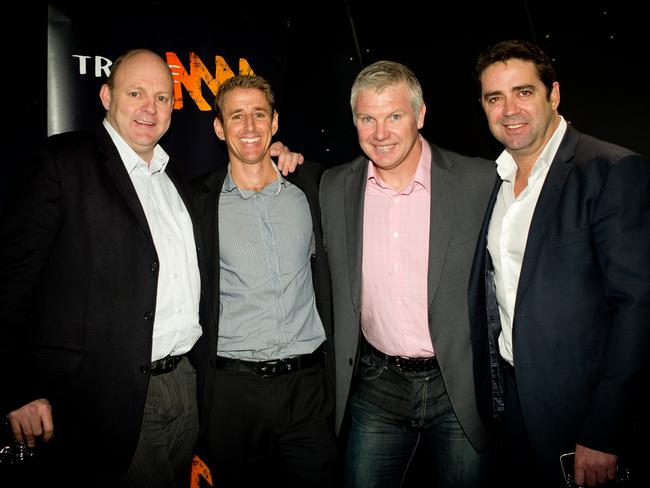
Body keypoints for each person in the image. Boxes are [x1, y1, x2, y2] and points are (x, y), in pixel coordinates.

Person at [0, 48, 302, 488]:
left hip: (185, 385)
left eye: (162, 97)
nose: (150, 107)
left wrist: (277, 156)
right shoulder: (63, 162)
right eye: (136, 92)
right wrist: (18, 388)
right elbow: (12, 282)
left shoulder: (173, 176)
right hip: (107, 397)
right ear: (106, 95)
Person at [468, 39, 650, 488]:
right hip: (511, 411)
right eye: (495, 97)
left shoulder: (609, 170)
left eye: (524, 92)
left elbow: (637, 307)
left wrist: (605, 429)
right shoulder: (495, 183)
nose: (509, 108)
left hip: (582, 417)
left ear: (554, 94)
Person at [319, 60, 495, 487]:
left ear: (419, 115)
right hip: (377, 386)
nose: (380, 133)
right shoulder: (333, 186)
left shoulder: (480, 180)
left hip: (456, 388)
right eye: (367, 118)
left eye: (394, 116)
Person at [191, 74, 338, 488]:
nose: (250, 127)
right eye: (237, 116)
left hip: (307, 388)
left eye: (259, 114)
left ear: (275, 123)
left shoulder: (311, 187)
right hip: (233, 393)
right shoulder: (197, 201)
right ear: (219, 128)